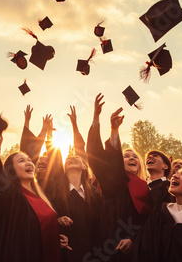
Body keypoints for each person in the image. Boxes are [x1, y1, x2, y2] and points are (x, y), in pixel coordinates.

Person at [0, 86, 70, 262]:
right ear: (9, 171)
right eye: (21, 161)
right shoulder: (7, 195)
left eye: (29, 160)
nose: (29, 162)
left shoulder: (40, 197)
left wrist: (55, 238)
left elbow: (36, 228)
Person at [85, 94, 151, 262]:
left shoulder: (149, 188)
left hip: (139, 247)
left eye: (135, 157)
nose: (131, 158)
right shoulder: (113, 182)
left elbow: (150, 221)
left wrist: (134, 238)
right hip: (108, 244)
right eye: (126, 155)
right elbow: (96, 156)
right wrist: (103, 122)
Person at [44, 105, 103, 262]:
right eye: (68, 158)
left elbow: (81, 149)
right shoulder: (56, 188)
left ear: (85, 166)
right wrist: (49, 133)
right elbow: (53, 154)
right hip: (63, 252)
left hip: (90, 251)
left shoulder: (94, 194)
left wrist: (75, 125)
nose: (72, 157)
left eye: (77, 158)